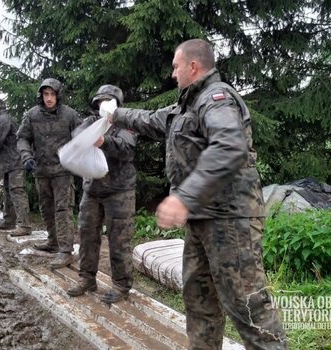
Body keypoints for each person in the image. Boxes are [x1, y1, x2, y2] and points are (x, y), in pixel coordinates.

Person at [101, 39, 287, 349]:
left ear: (192, 66)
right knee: (199, 302)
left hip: (230, 219)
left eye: (175, 67)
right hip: (202, 219)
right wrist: (114, 114)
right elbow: (148, 120)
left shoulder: (217, 99)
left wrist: (184, 197)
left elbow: (229, 147)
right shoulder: (185, 106)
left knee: (247, 306)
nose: (172, 74)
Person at [67, 85, 137, 304]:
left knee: (119, 239)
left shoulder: (126, 124)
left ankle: (121, 285)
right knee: (87, 235)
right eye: (99, 102)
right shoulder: (91, 123)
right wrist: (91, 135)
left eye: (107, 101)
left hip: (119, 190)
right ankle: (87, 278)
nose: (102, 105)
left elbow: (127, 148)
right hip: (93, 190)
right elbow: (77, 136)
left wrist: (104, 141)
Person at [17, 78, 81, 269]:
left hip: (63, 171)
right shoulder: (32, 115)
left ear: (58, 95)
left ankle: (65, 250)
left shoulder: (70, 115)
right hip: (41, 170)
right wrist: (26, 156)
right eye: (46, 94)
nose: (49, 98)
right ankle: (53, 242)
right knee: (46, 208)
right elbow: (22, 138)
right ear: (41, 96)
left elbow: (82, 137)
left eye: (52, 94)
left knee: (63, 209)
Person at [0, 97, 32, 236]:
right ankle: (9, 221)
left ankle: (24, 225)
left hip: (15, 160)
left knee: (16, 191)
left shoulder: (2, 120)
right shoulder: (3, 118)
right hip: (10, 161)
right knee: (9, 191)